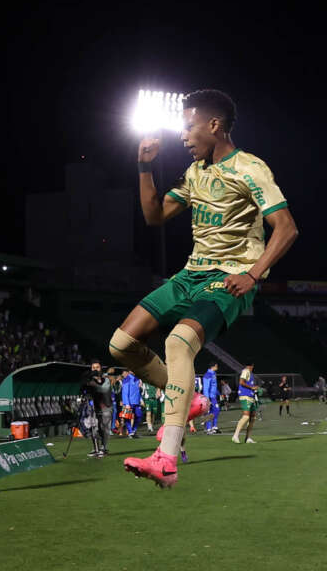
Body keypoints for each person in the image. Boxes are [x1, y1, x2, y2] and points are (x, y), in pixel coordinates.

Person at [109, 89, 299, 488]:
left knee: (178, 343)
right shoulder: (195, 172)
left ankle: (167, 457)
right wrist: (145, 166)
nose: (182, 135)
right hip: (190, 275)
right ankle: (190, 399)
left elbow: (286, 228)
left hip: (230, 278)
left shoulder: (250, 168)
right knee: (120, 345)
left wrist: (253, 274)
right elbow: (155, 214)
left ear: (214, 126)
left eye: (188, 126)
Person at [81, 360, 112, 457]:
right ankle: (96, 449)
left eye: (97, 367)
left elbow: (104, 389)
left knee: (104, 428)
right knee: (93, 428)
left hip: (105, 407)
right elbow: (82, 388)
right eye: (93, 367)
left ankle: (104, 448)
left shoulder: (106, 379)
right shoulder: (88, 380)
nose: (95, 369)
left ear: (101, 368)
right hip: (93, 406)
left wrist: (94, 385)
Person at [233, 364, 258, 443]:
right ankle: (235, 436)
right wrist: (251, 387)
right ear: (251, 365)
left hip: (251, 396)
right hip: (245, 395)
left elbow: (249, 384)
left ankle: (248, 438)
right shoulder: (246, 371)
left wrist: (255, 389)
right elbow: (241, 382)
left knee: (252, 418)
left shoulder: (250, 373)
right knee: (246, 416)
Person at [120, 371, 142, 438]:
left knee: (139, 416)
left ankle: (133, 431)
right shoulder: (127, 379)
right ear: (129, 371)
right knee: (127, 417)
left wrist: (140, 400)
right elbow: (125, 392)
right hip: (129, 402)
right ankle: (130, 432)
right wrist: (126, 403)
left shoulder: (137, 379)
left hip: (136, 402)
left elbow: (138, 391)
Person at [202, 363, 221, 433]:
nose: (217, 367)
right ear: (214, 366)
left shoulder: (213, 374)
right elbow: (206, 388)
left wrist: (219, 394)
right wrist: (207, 399)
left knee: (216, 410)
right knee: (210, 412)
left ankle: (214, 427)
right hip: (210, 397)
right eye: (217, 365)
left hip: (213, 396)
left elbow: (214, 386)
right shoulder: (208, 375)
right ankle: (208, 428)